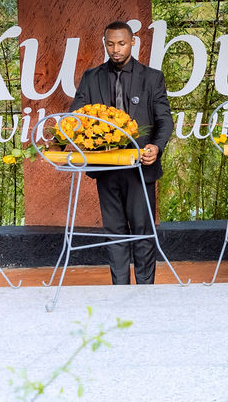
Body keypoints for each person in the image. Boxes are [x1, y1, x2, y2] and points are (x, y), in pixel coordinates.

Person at [70, 21, 172, 285]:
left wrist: (156, 147)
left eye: (122, 43)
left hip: (140, 167)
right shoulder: (91, 78)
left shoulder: (152, 77)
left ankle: (144, 291)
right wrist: (72, 138)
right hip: (105, 168)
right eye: (111, 44)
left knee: (142, 232)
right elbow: (74, 118)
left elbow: (164, 120)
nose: (116, 49)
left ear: (132, 43)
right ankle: (120, 291)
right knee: (114, 233)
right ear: (105, 44)